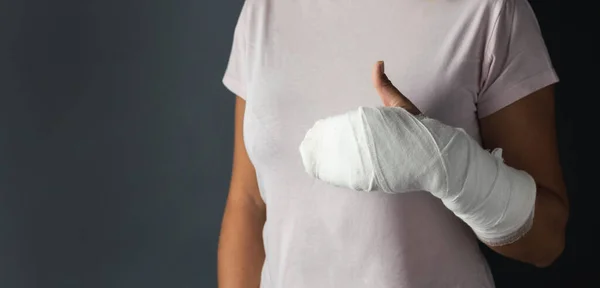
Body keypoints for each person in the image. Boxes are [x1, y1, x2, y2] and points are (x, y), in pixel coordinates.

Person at [218, 0, 568, 287]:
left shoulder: (491, 10)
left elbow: (546, 241)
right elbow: (248, 202)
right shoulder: (264, 9)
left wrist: (441, 160)